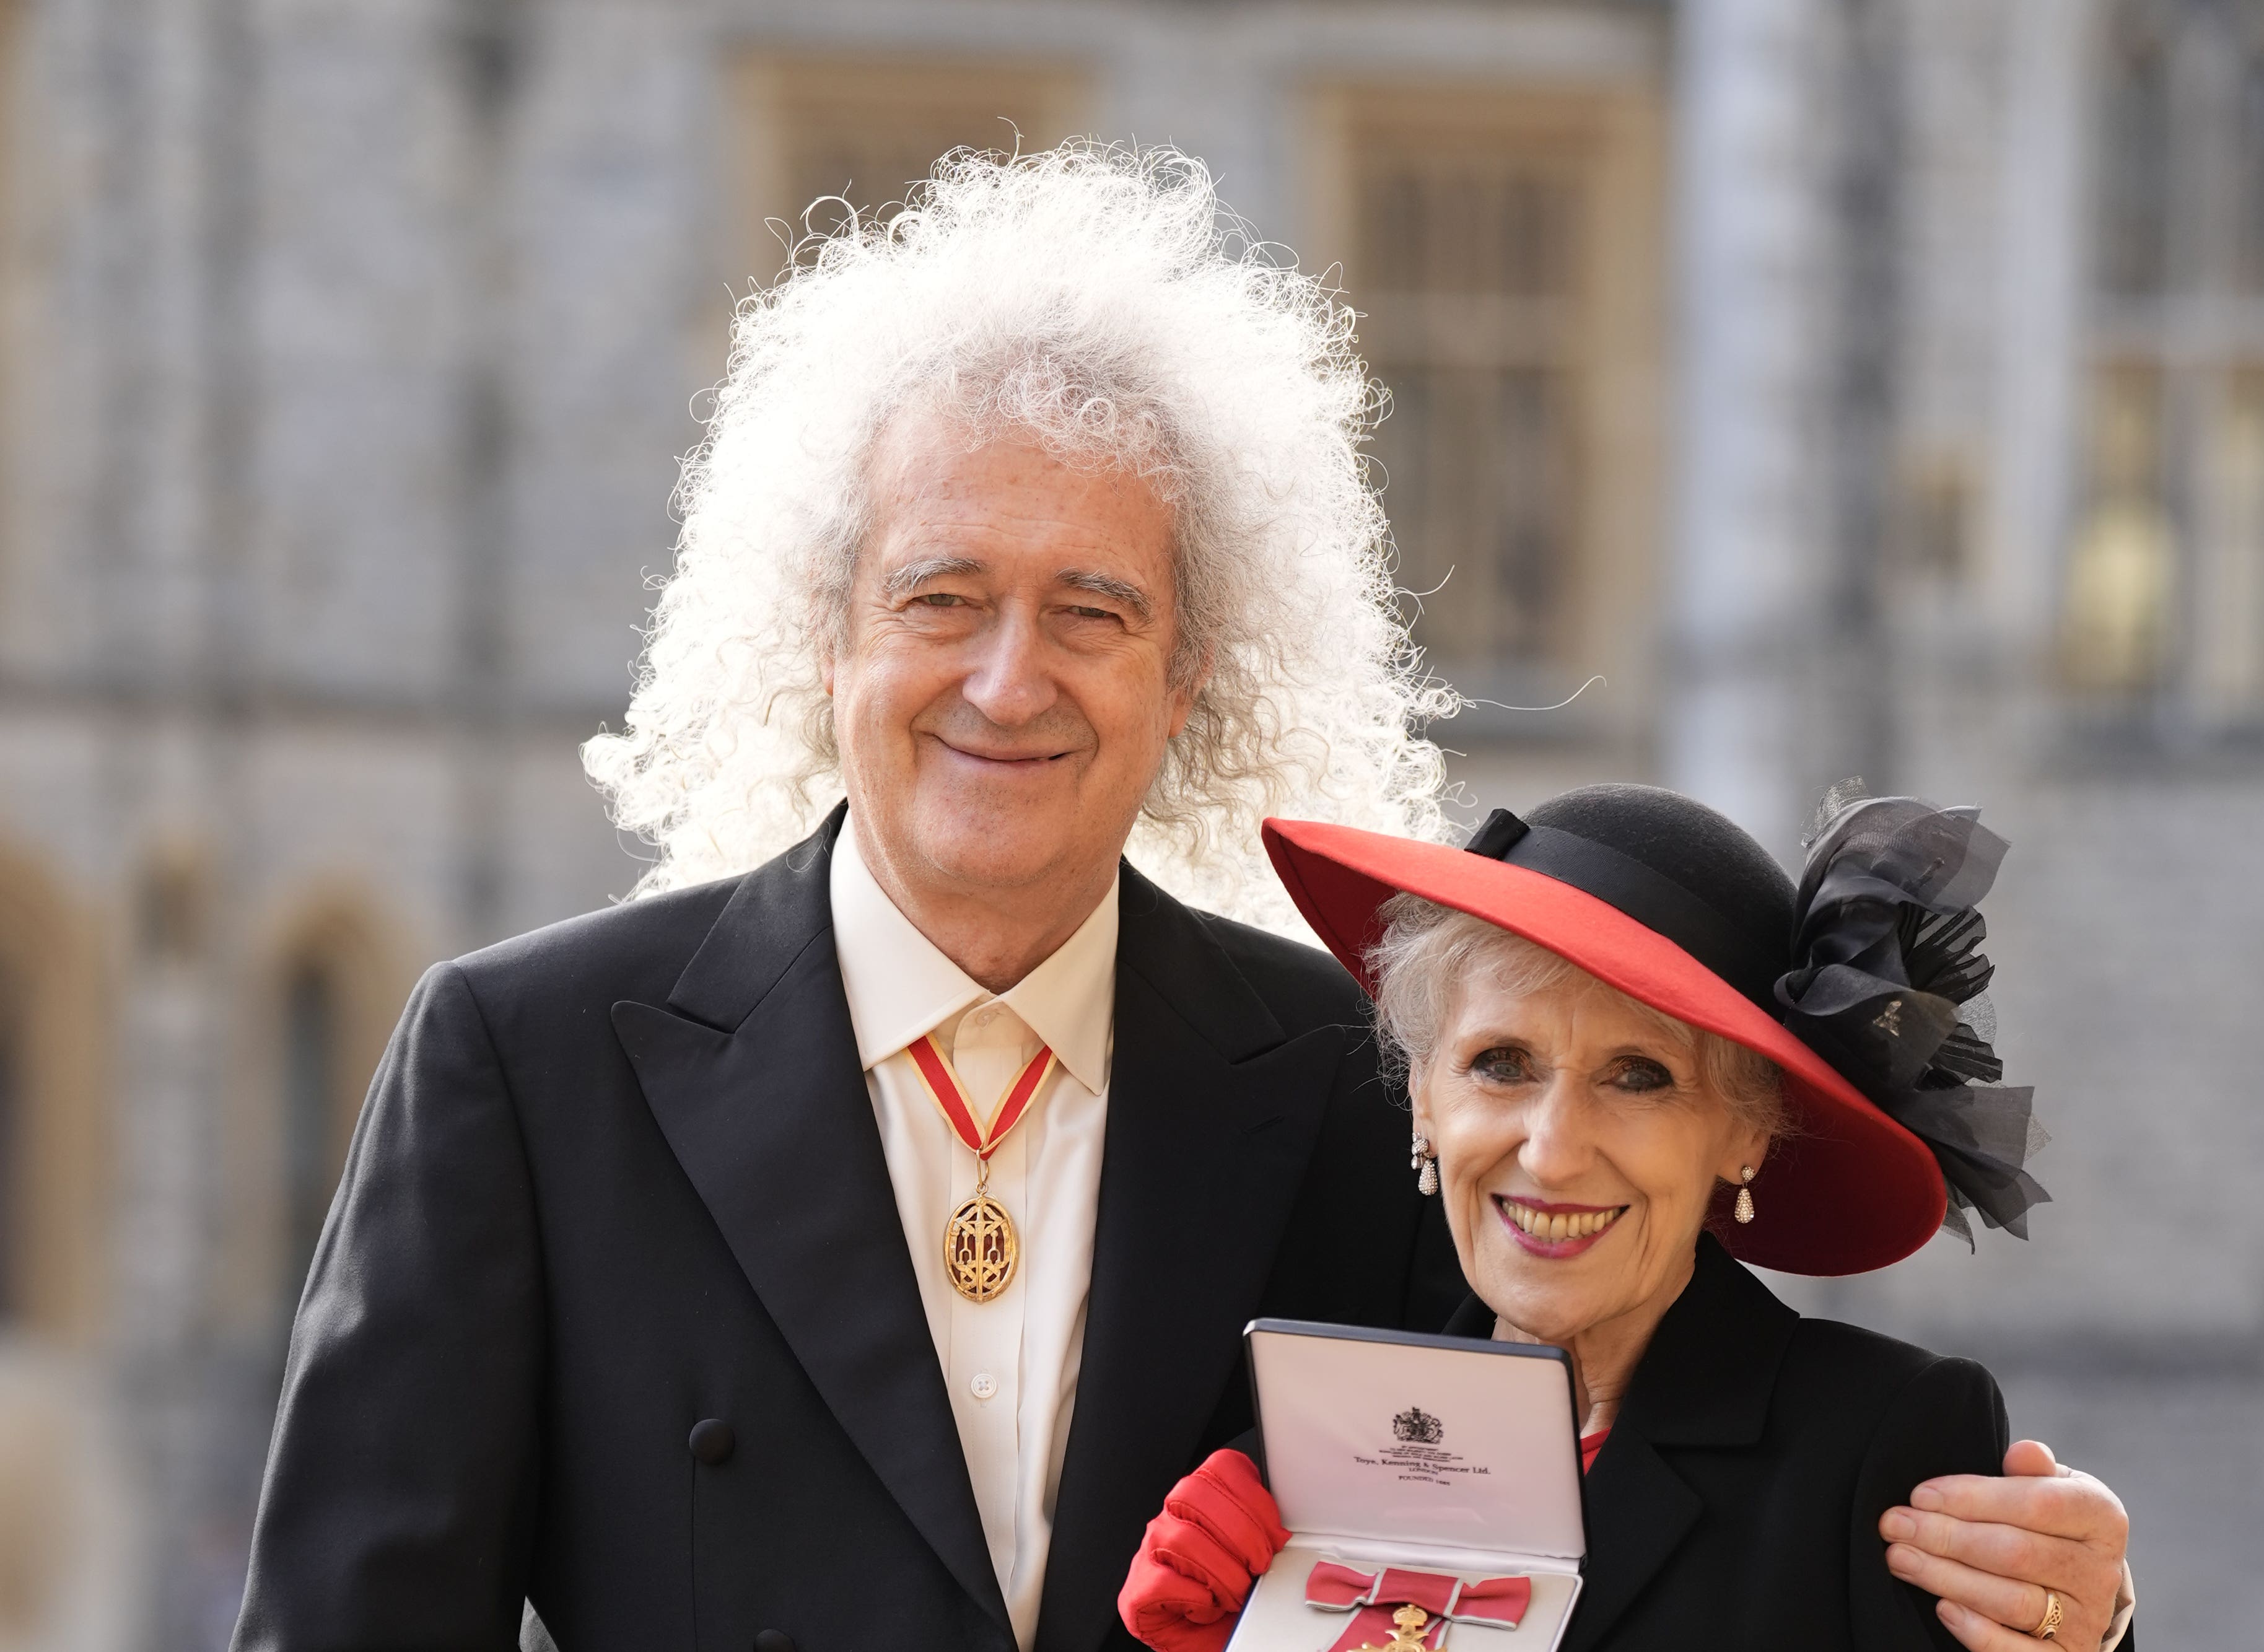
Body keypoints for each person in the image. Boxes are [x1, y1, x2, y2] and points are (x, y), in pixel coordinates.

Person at [233, 146, 2127, 1652]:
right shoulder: (524, 1060)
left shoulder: (1348, 1075)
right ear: (825, 633)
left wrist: (2070, 1601)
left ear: (1189, 675)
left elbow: (1674, 1506)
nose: (1007, 679)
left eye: (1094, 611)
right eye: (941, 596)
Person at [1121, 785, 2136, 1652]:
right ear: (1425, 1099)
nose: (1554, 1150)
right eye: (1501, 1065)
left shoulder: (1877, 1450)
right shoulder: (1309, 1456)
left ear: (1746, 1134)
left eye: (1639, 1077)